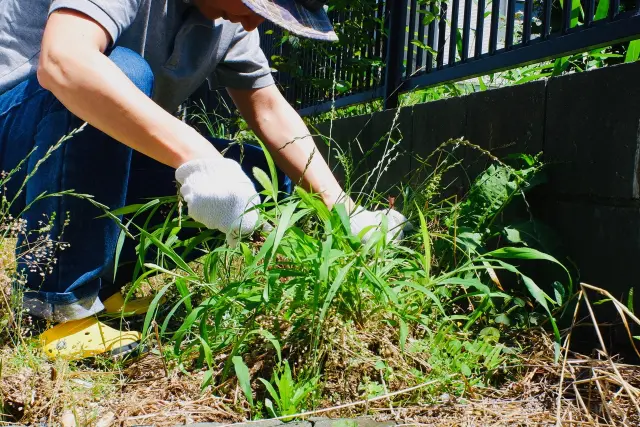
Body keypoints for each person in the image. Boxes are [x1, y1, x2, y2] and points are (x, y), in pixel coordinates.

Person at [0, 0, 408, 359]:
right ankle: (54, 305)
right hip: (17, 143)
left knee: (262, 178)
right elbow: (65, 62)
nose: (255, 24)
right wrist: (198, 157)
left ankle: (103, 285)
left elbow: (268, 110)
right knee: (119, 69)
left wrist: (345, 212)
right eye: (260, 6)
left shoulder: (227, 19)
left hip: (78, 151)